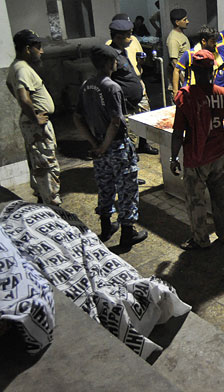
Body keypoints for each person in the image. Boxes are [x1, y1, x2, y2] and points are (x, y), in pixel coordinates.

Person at [73, 45, 148, 247]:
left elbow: (78, 118)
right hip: (116, 146)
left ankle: (106, 227)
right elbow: (115, 122)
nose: (117, 63)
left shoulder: (86, 85)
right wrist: (105, 146)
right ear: (108, 63)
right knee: (127, 189)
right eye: (115, 60)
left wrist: (95, 144)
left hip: (99, 144)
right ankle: (127, 234)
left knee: (105, 186)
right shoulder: (112, 87)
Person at [169, 50, 224, 251]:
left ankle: (201, 240)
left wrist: (173, 157)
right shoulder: (223, 94)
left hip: (196, 159)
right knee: (221, 199)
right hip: (219, 155)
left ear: (192, 71)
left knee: (196, 202)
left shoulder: (186, 97)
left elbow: (178, 132)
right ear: (212, 72)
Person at [5, 29, 61, 206]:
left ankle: (43, 198)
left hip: (31, 121)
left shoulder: (17, 66)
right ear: (27, 49)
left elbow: (9, 85)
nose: (41, 51)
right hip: (36, 124)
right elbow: (23, 97)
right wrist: (35, 117)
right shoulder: (22, 69)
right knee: (47, 165)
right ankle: (53, 206)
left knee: (38, 162)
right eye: (38, 47)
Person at [107, 14, 158, 157]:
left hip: (137, 91)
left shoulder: (124, 50)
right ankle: (130, 161)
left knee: (145, 119)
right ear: (118, 36)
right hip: (126, 103)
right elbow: (108, 81)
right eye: (128, 35)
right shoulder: (110, 54)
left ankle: (141, 146)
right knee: (129, 134)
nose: (131, 38)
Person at [166, 8, 190, 102]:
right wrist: (183, 80)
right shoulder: (173, 39)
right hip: (179, 77)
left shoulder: (180, 34)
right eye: (185, 20)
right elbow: (174, 62)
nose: (187, 22)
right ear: (177, 22)